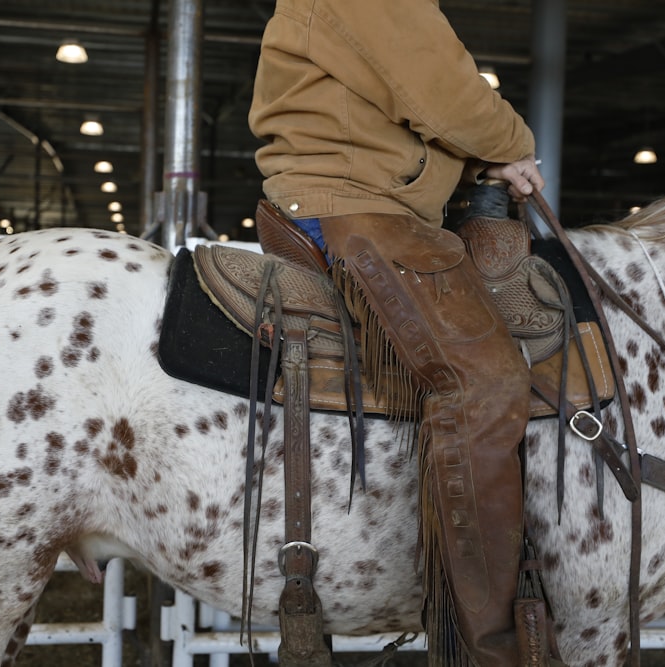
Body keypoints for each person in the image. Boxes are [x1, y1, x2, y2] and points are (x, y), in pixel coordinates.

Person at [248, 1, 546, 665]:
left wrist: (476, 165)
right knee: (484, 383)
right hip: (356, 202)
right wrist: (513, 144)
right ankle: (486, 649)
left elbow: (386, 106)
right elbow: (438, 88)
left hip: (374, 193)